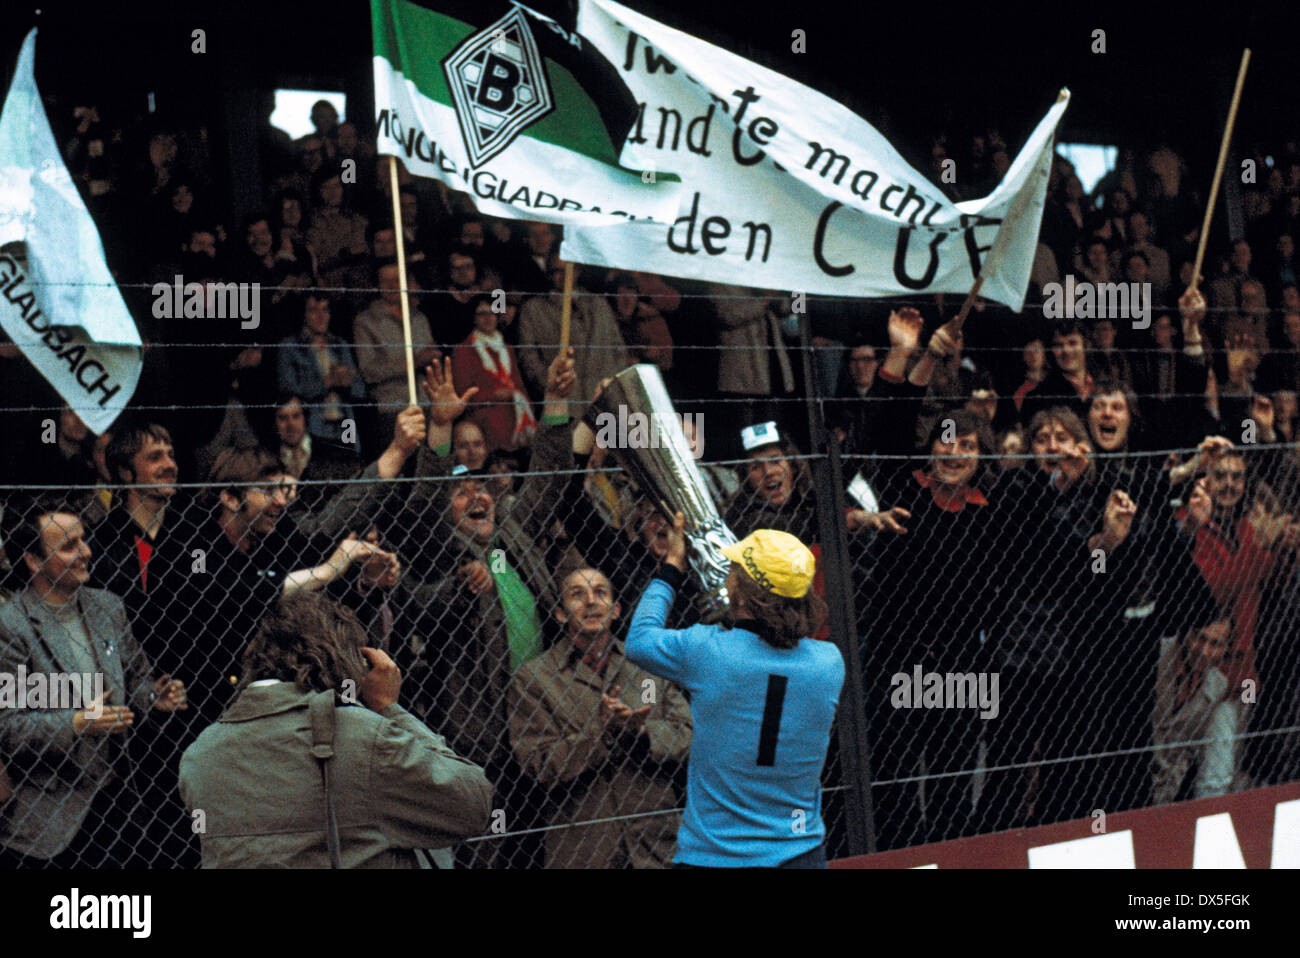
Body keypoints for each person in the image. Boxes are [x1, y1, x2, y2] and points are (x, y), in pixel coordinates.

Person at [178, 592, 492, 868]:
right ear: (347, 661)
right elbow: (473, 803)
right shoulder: (362, 738)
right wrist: (387, 707)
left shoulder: (200, 754)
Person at [626, 519, 844, 868]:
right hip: (800, 854)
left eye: (732, 571)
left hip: (715, 857)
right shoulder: (829, 663)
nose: (726, 575)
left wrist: (671, 569)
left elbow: (639, 640)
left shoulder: (706, 650)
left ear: (741, 592)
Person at [0, 496, 187, 868]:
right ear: (34, 561)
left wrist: (154, 696)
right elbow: (6, 724)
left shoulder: (108, 607)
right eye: (69, 546)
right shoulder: (11, 626)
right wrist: (75, 723)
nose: (86, 552)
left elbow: (134, 677)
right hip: (49, 817)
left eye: (83, 540)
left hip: (118, 801)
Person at [508, 567, 692, 868]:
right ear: (560, 614)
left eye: (601, 593)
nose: (591, 602)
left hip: (657, 843)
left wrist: (642, 733)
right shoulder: (533, 679)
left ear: (617, 610)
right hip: (584, 847)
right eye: (577, 594)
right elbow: (538, 762)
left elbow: (687, 733)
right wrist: (602, 735)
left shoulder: (647, 665)